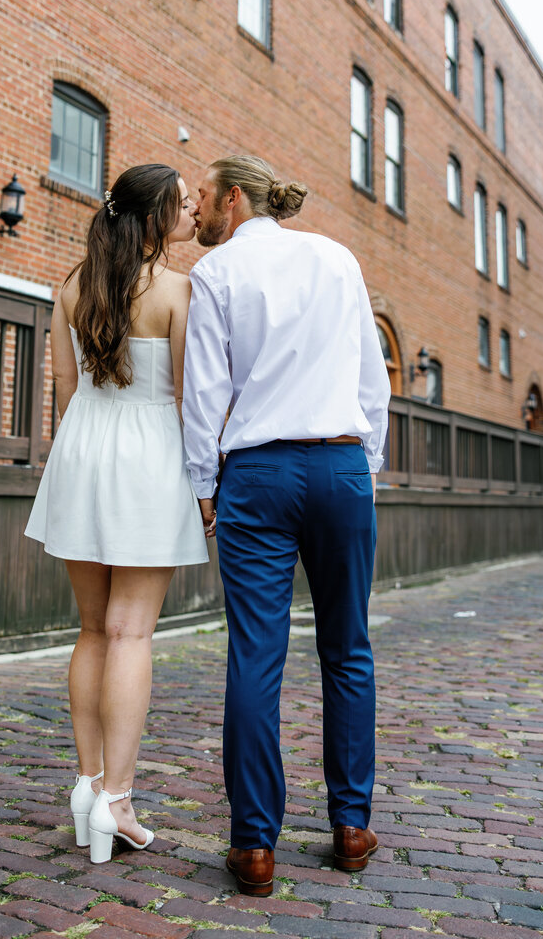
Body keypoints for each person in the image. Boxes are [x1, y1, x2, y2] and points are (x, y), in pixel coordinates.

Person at [183, 155, 390, 897]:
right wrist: (364, 463)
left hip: (258, 476)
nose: (196, 211)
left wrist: (204, 484)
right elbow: (374, 380)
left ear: (234, 199)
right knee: (348, 649)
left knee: (256, 657)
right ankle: (352, 827)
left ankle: (255, 847)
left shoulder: (218, 274)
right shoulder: (339, 259)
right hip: (340, 469)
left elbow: (205, 393)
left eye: (203, 197)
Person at [25, 163, 209, 865]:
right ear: (155, 216)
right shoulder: (175, 291)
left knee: (92, 629)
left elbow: (65, 392)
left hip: (82, 454)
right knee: (131, 632)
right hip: (149, 457)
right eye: (182, 204)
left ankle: (88, 785)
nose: (192, 211)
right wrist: (202, 489)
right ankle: (119, 801)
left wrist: (86, 457)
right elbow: (192, 399)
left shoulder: (71, 285)